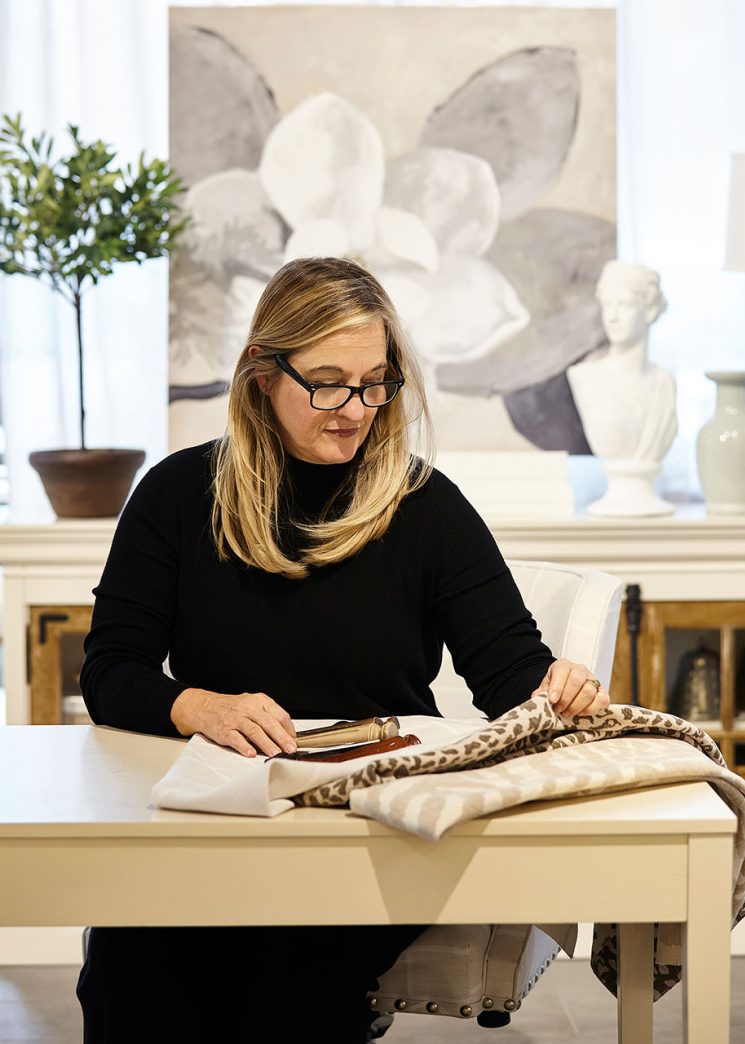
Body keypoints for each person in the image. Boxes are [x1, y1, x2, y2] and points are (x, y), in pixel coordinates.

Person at [76, 256, 610, 1043]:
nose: (354, 409)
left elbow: (509, 676)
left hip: (369, 838)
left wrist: (558, 687)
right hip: (219, 827)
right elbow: (110, 672)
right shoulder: (177, 496)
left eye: (374, 382)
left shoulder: (425, 507)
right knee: (134, 964)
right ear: (262, 373)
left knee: (280, 977)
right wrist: (199, 707)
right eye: (326, 382)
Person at [567, 259, 677, 464]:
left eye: (624, 305)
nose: (612, 317)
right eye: (607, 305)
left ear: (650, 311)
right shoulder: (586, 378)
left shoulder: (664, 382)